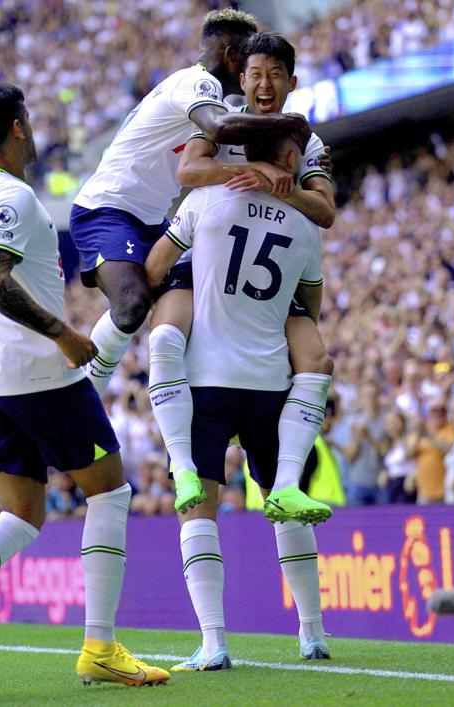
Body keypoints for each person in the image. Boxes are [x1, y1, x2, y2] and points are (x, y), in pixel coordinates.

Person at [0, 82, 170, 701]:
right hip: (40, 376)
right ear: (19, 127)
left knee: (21, 515)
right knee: (111, 492)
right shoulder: (12, 197)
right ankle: (100, 648)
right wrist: (62, 331)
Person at [145, 132, 329, 670]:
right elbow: (310, 302)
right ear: (290, 160)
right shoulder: (304, 223)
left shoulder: (208, 198)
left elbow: (157, 266)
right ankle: (312, 634)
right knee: (282, 505)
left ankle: (214, 641)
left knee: (199, 508)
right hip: (270, 381)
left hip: (205, 379)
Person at [70, 9, 310, 400]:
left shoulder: (207, 96)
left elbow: (226, 146)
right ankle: (81, 399)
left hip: (149, 219)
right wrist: (291, 123)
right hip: (108, 209)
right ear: (233, 55)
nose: (252, 71)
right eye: (248, 61)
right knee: (132, 305)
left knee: (204, 301)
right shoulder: (195, 83)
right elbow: (218, 129)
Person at [149, 31, 336, 515]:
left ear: (292, 81)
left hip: (269, 259)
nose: (265, 83)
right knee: (166, 335)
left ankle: (289, 479)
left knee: (315, 357)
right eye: (256, 73)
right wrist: (247, 175)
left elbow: (325, 211)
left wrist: (281, 189)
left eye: (275, 74)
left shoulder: (305, 139)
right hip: (208, 251)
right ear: (242, 78)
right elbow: (190, 172)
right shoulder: (221, 117)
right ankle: (181, 459)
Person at [330, 380, 385, 505]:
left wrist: (368, 436)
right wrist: (356, 438)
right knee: (357, 523)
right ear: (362, 398)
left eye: (373, 395)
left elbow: (384, 452)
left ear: (378, 397)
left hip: (380, 482)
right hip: (358, 482)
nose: (370, 399)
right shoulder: (354, 421)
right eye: (367, 395)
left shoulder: (385, 420)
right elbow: (350, 457)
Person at [380, 411, 418, 504]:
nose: (392, 426)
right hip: (392, 484)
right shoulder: (388, 444)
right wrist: (385, 473)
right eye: (389, 423)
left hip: (406, 483)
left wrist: (413, 475)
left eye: (395, 422)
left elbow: (410, 454)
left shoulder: (410, 438)